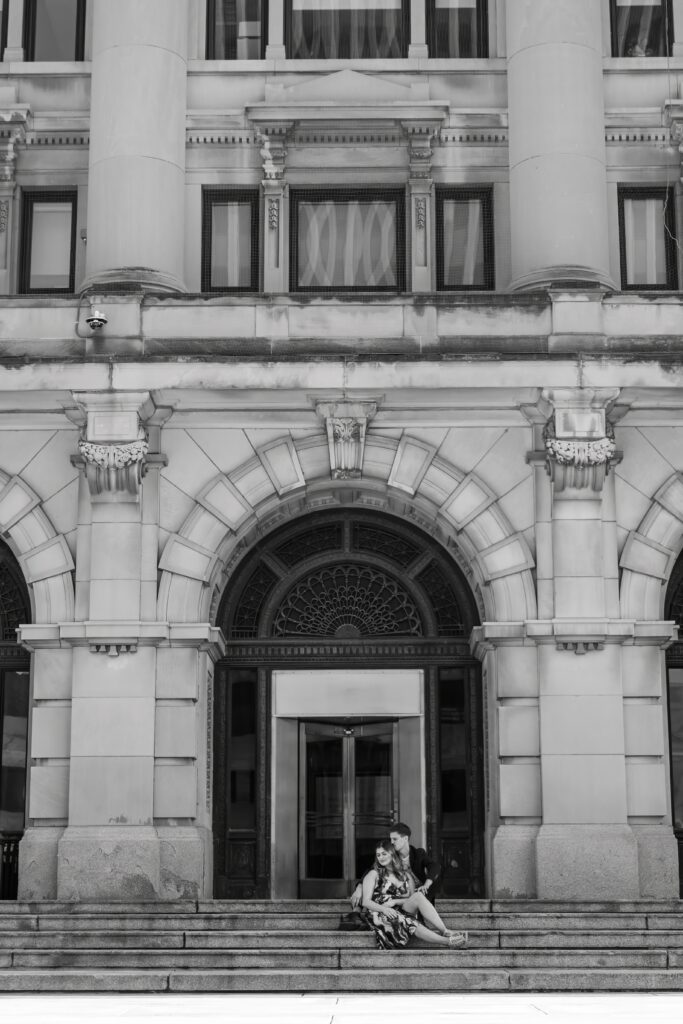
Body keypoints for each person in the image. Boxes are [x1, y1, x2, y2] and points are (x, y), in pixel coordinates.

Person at [360, 840, 467, 950]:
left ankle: (444, 931)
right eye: (378, 855)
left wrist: (395, 901)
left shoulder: (405, 875)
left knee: (418, 896)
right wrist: (384, 909)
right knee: (406, 920)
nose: (381, 857)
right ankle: (448, 942)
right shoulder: (373, 874)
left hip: (401, 908)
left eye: (384, 854)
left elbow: (410, 898)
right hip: (380, 912)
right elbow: (366, 902)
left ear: (392, 854)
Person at [350, 821, 441, 909]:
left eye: (395, 839)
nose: (392, 842)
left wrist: (426, 885)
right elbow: (372, 870)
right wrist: (359, 888)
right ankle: (356, 913)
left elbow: (435, 866)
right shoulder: (391, 855)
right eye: (391, 839)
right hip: (399, 893)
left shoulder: (418, 853)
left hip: (418, 893)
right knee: (371, 887)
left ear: (405, 838)